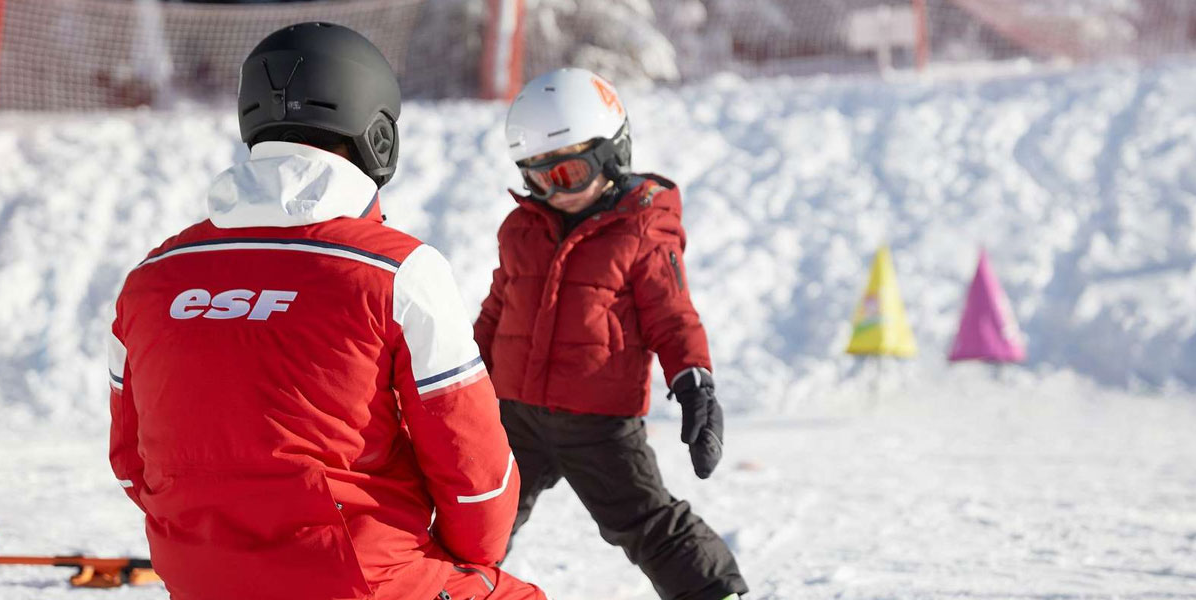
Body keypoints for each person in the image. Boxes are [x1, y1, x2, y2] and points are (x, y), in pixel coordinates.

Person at [107, 22, 544, 600]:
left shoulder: (149, 279)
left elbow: (131, 460)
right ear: (378, 135)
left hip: (199, 580)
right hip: (361, 581)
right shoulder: (397, 273)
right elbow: (477, 482)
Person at [474, 67, 748, 600]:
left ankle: (716, 593)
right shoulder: (520, 229)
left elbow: (673, 315)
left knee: (645, 521)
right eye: (537, 176)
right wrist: (455, 385)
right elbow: (495, 313)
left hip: (597, 421)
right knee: (476, 515)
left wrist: (695, 381)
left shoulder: (642, 229)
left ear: (611, 153)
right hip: (515, 416)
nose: (555, 192)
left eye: (569, 173)